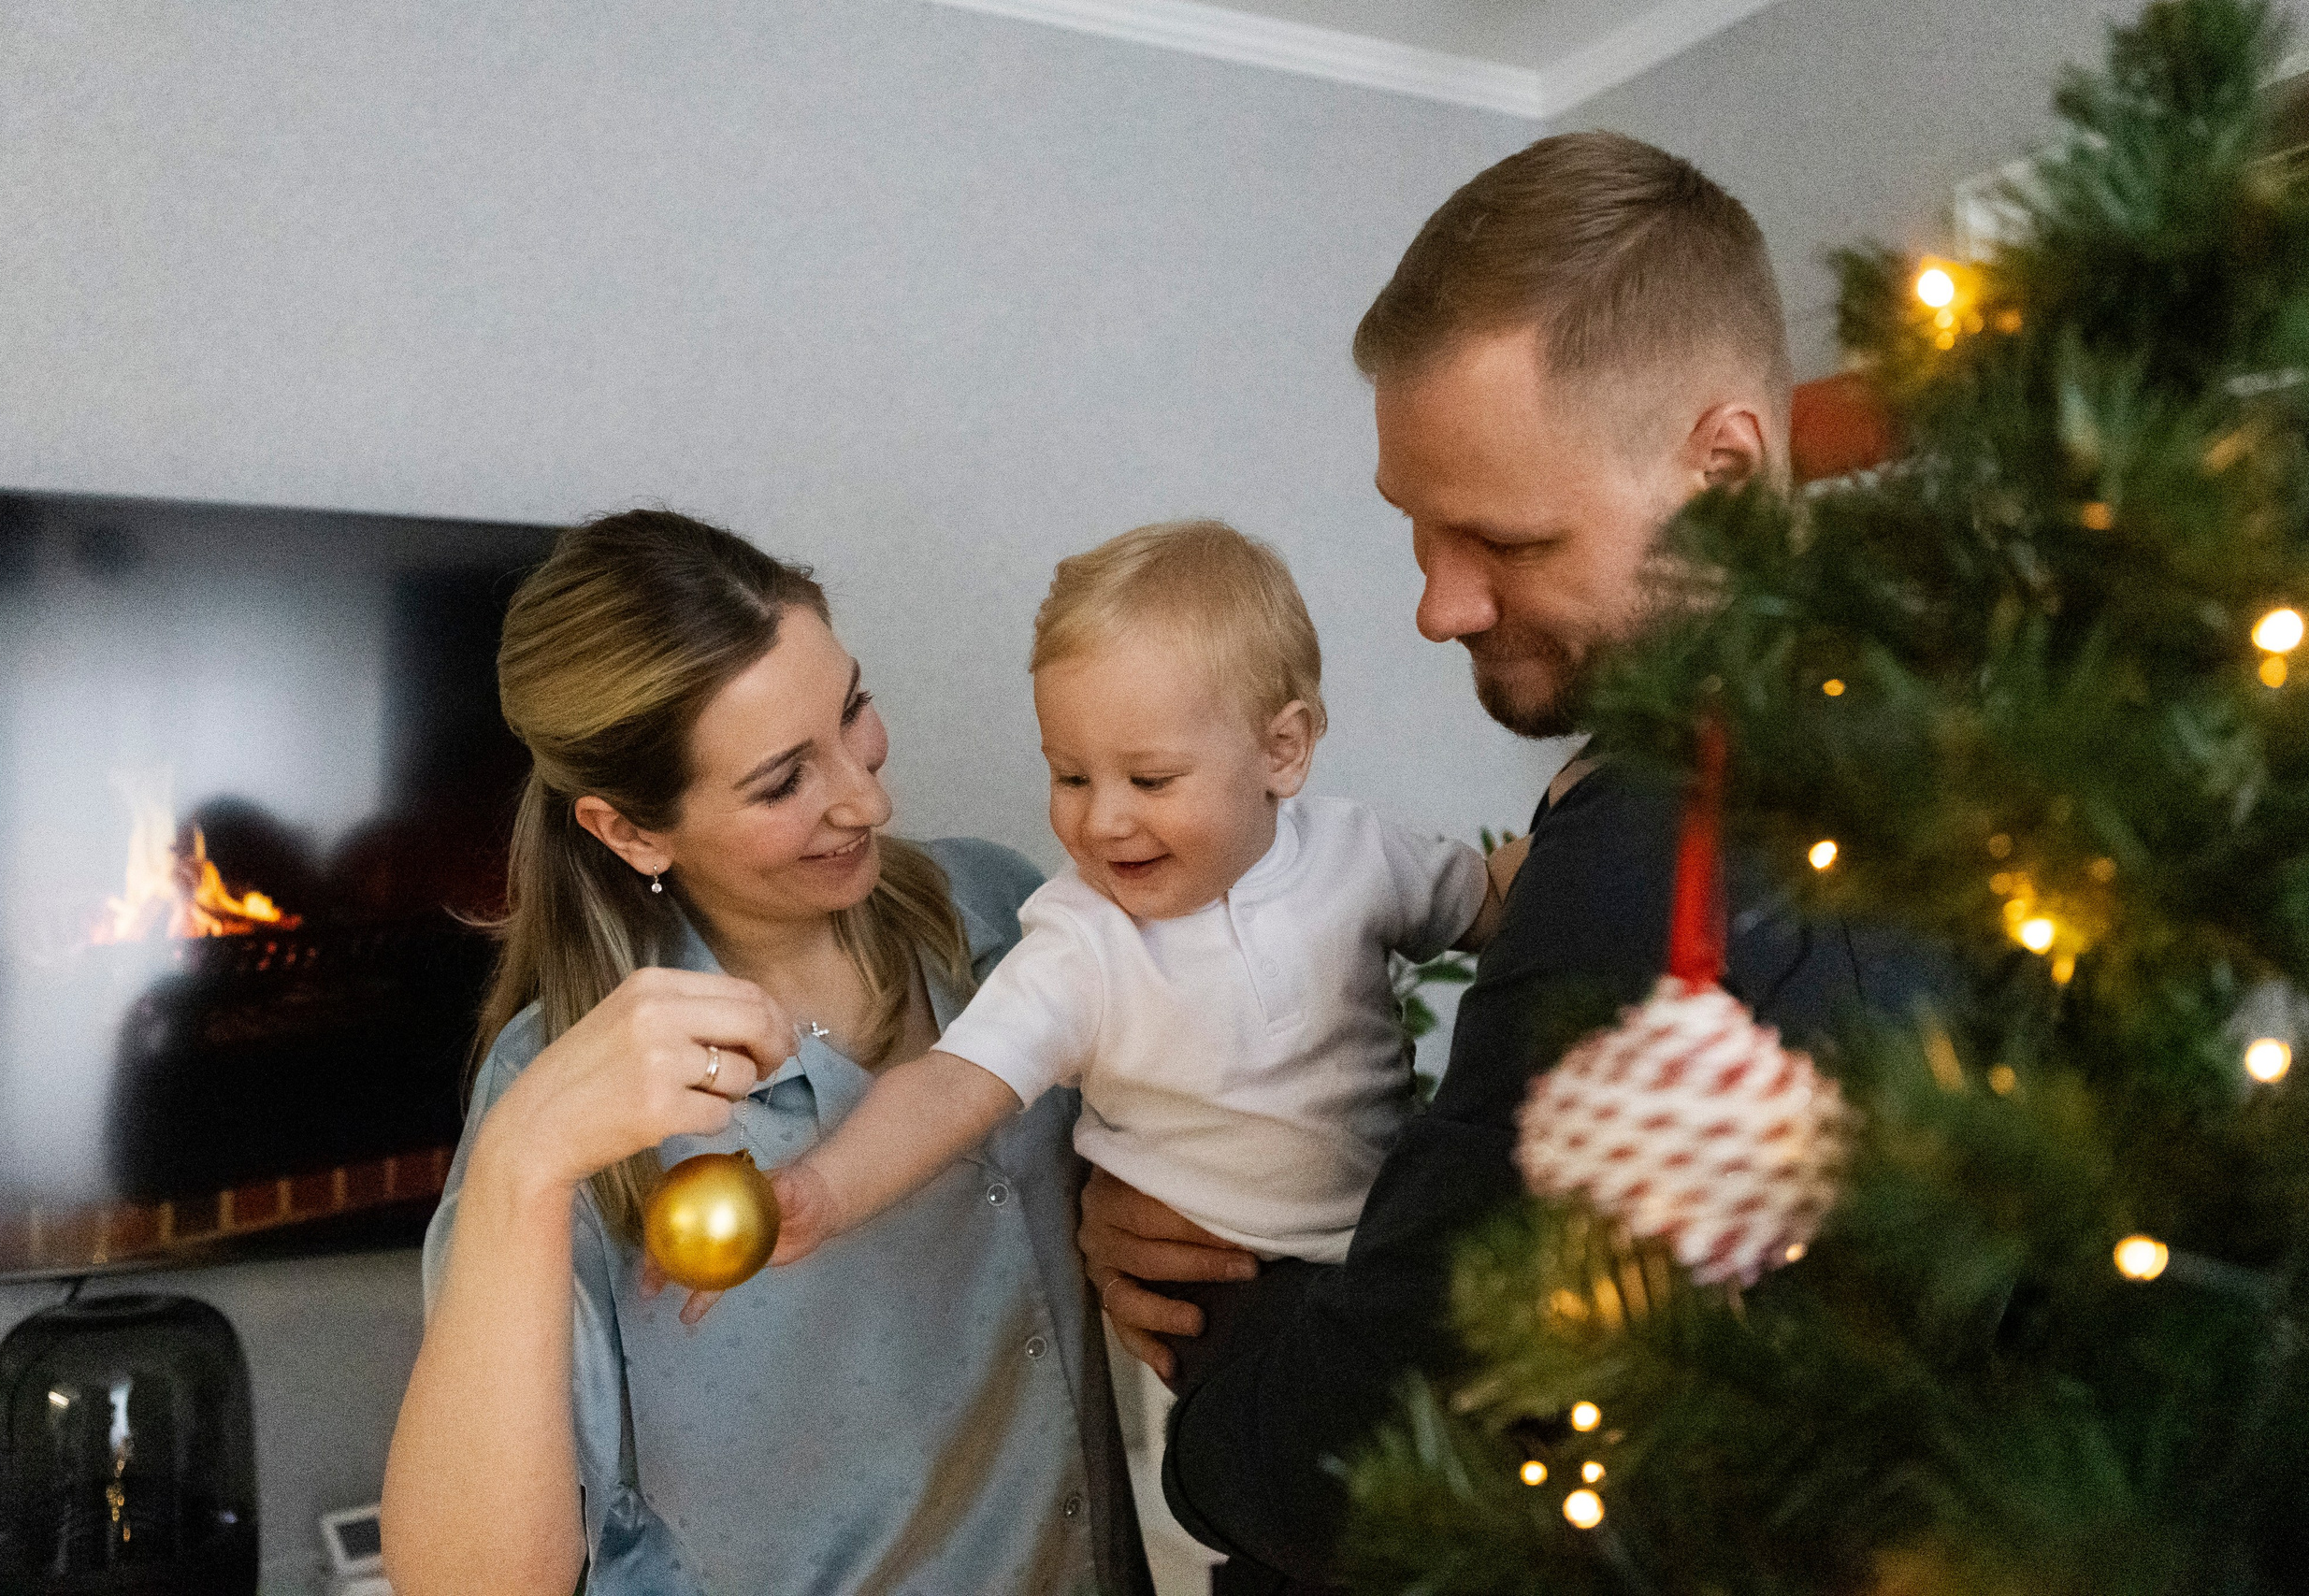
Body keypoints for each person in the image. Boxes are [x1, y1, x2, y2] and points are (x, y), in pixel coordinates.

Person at [1078, 132, 1932, 1592]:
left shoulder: (1651, 851)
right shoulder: (1928, 729)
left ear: (1723, 468)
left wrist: (1217, 1323)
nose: (1436, 604)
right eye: (1415, 528)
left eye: (1504, 539)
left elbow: (1358, 1466)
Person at [381, 510, 1152, 1596]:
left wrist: (1136, 1219)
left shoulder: (1003, 915)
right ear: (632, 833)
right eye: (784, 781)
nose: (868, 798)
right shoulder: (559, 1093)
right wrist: (520, 1167)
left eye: (852, 712)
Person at [766, 520, 1506, 1275]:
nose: (1104, 821)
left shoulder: (1358, 852)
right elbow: (953, 1084)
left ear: (1281, 751)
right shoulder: (1082, 943)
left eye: (1151, 780)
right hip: (1221, 1296)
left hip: (1401, 1250)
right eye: (1071, 776)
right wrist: (824, 1189)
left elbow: (1501, 904)